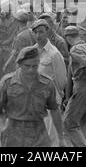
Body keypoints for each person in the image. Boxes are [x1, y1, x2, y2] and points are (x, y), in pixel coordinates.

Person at [0, 46, 65, 147]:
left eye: (34, 66)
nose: (31, 70)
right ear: (19, 64)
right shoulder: (7, 82)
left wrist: (60, 138)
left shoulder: (47, 83)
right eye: (27, 66)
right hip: (13, 134)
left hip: (39, 134)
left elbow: (55, 110)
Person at [31, 19, 67, 147]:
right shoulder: (33, 51)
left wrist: (56, 99)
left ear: (48, 32)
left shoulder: (54, 54)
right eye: (35, 32)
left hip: (50, 100)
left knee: (52, 136)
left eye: (41, 32)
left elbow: (62, 80)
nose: (38, 35)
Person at [62, 26, 86, 147]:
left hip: (83, 90)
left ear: (67, 38)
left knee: (68, 123)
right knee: (84, 124)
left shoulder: (75, 50)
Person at [0, 0, 19, 89]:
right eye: (1, 8)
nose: (3, 11)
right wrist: (1, 22)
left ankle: (10, 92)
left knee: (10, 70)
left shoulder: (15, 19)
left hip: (10, 49)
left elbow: (15, 36)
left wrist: (7, 41)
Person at [2, 9, 36, 75]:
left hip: (23, 65)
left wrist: (6, 64)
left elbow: (15, 54)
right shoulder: (32, 31)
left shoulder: (20, 36)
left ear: (17, 21)